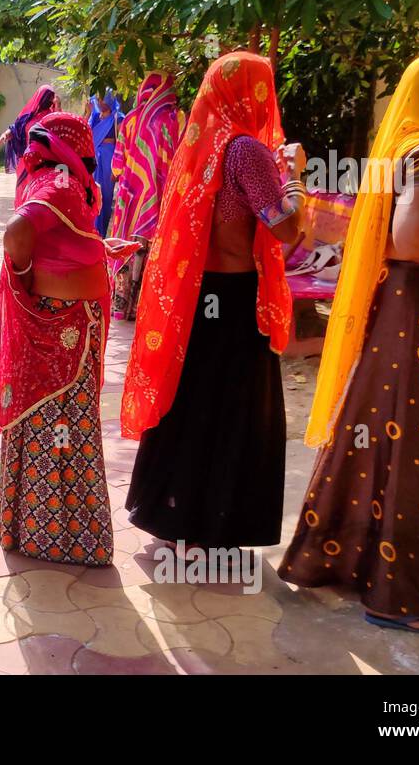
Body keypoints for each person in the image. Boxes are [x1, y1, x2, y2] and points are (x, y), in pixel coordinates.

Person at [284, 53, 419, 635]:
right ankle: (394, 594)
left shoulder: (406, 146)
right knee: (415, 442)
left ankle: (352, 557)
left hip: (411, 319)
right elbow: (409, 239)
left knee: (389, 432)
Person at [122, 52, 304, 555]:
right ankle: (212, 526)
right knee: (236, 411)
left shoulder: (202, 143)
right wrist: (296, 177)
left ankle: (174, 514)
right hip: (236, 299)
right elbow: (287, 228)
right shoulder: (245, 150)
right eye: (263, 87)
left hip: (203, 297)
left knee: (194, 402)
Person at [0, 112, 135, 566]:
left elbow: (55, 240)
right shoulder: (61, 182)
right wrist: (29, 283)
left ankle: (33, 531)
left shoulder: (50, 179)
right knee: (64, 425)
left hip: (63, 321)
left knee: (48, 422)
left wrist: (98, 248)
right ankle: (64, 537)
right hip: (64, 326)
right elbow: (16, 233)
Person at [108, 71, 182, 319]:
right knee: (150, 249)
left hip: (129, 197)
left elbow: (117, 165)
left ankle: (120, 305)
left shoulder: (130, 119)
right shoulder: (175, 119)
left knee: (126, 245)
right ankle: (142, 306)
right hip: (160, 197)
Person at [0, 84, 59, 202]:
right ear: (40, 97)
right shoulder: (28, 117)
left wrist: (58, 107)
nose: (49, 100)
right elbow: (16, 128)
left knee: (39, 196)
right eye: (47, 97)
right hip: (26, 162)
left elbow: (60, 130)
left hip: (45, 164)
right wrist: (5, 135)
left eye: (51, 97)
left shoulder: (53, 117)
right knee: (22, 193)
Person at [88, 89, 122, 236]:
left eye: (103, 99)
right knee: (91, 193)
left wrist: (118, 168)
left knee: (106, 196)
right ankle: (92, 230)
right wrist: (88, 112)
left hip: (109, 160)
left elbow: (122, 143)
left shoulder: (118, 118)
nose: (100, 102)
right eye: (99, 99)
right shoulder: (95, 117)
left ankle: (101, 231)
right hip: (94, 160)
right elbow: (86, 133)